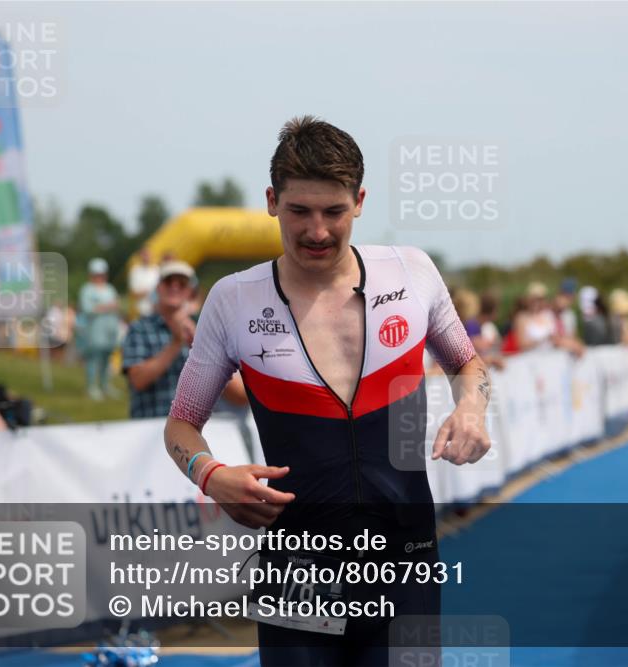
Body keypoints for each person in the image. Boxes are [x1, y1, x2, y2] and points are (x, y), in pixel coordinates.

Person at [164, 116, 491, 666]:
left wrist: (474, 408)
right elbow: (181, 424)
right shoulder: (233, 300)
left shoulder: (411, 272)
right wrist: (211, 475)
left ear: (359, 201)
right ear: (272, 201)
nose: (317, 231)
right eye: (299, 212)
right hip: (297, 568)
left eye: (333, 212)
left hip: (404, 560)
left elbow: (467, 362)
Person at [121, 261, 247, 418]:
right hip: (152, 428)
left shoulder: (209, 327)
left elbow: (240, 395)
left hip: (199, 433)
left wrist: (201, 349)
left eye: (181, 283)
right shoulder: (139, 328)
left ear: (189, 291)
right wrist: (175, 344)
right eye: (168, 282)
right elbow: (138, 381)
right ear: (158, 288)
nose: (174, 287)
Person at [78, 258, 121, 401]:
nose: (100, 277)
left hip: (110, 330)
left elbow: (116, 305)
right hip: (94, 331)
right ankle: (92, 386)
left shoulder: (110, 288)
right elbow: (87, 309)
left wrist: (108, 307)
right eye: (97, 274)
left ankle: (105, 385)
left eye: (102, 274)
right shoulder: (87, 289)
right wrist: (106, 307)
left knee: (106, 359)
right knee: (93, 359)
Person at [128, 247, 160, 319]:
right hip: (141, 311)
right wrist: (149, 292)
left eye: (147, 254)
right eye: (144, 255)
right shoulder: (135, 271)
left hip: (156, 310)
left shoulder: (156, 270)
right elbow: (133, 293)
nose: (146, 257)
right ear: (140, 256)